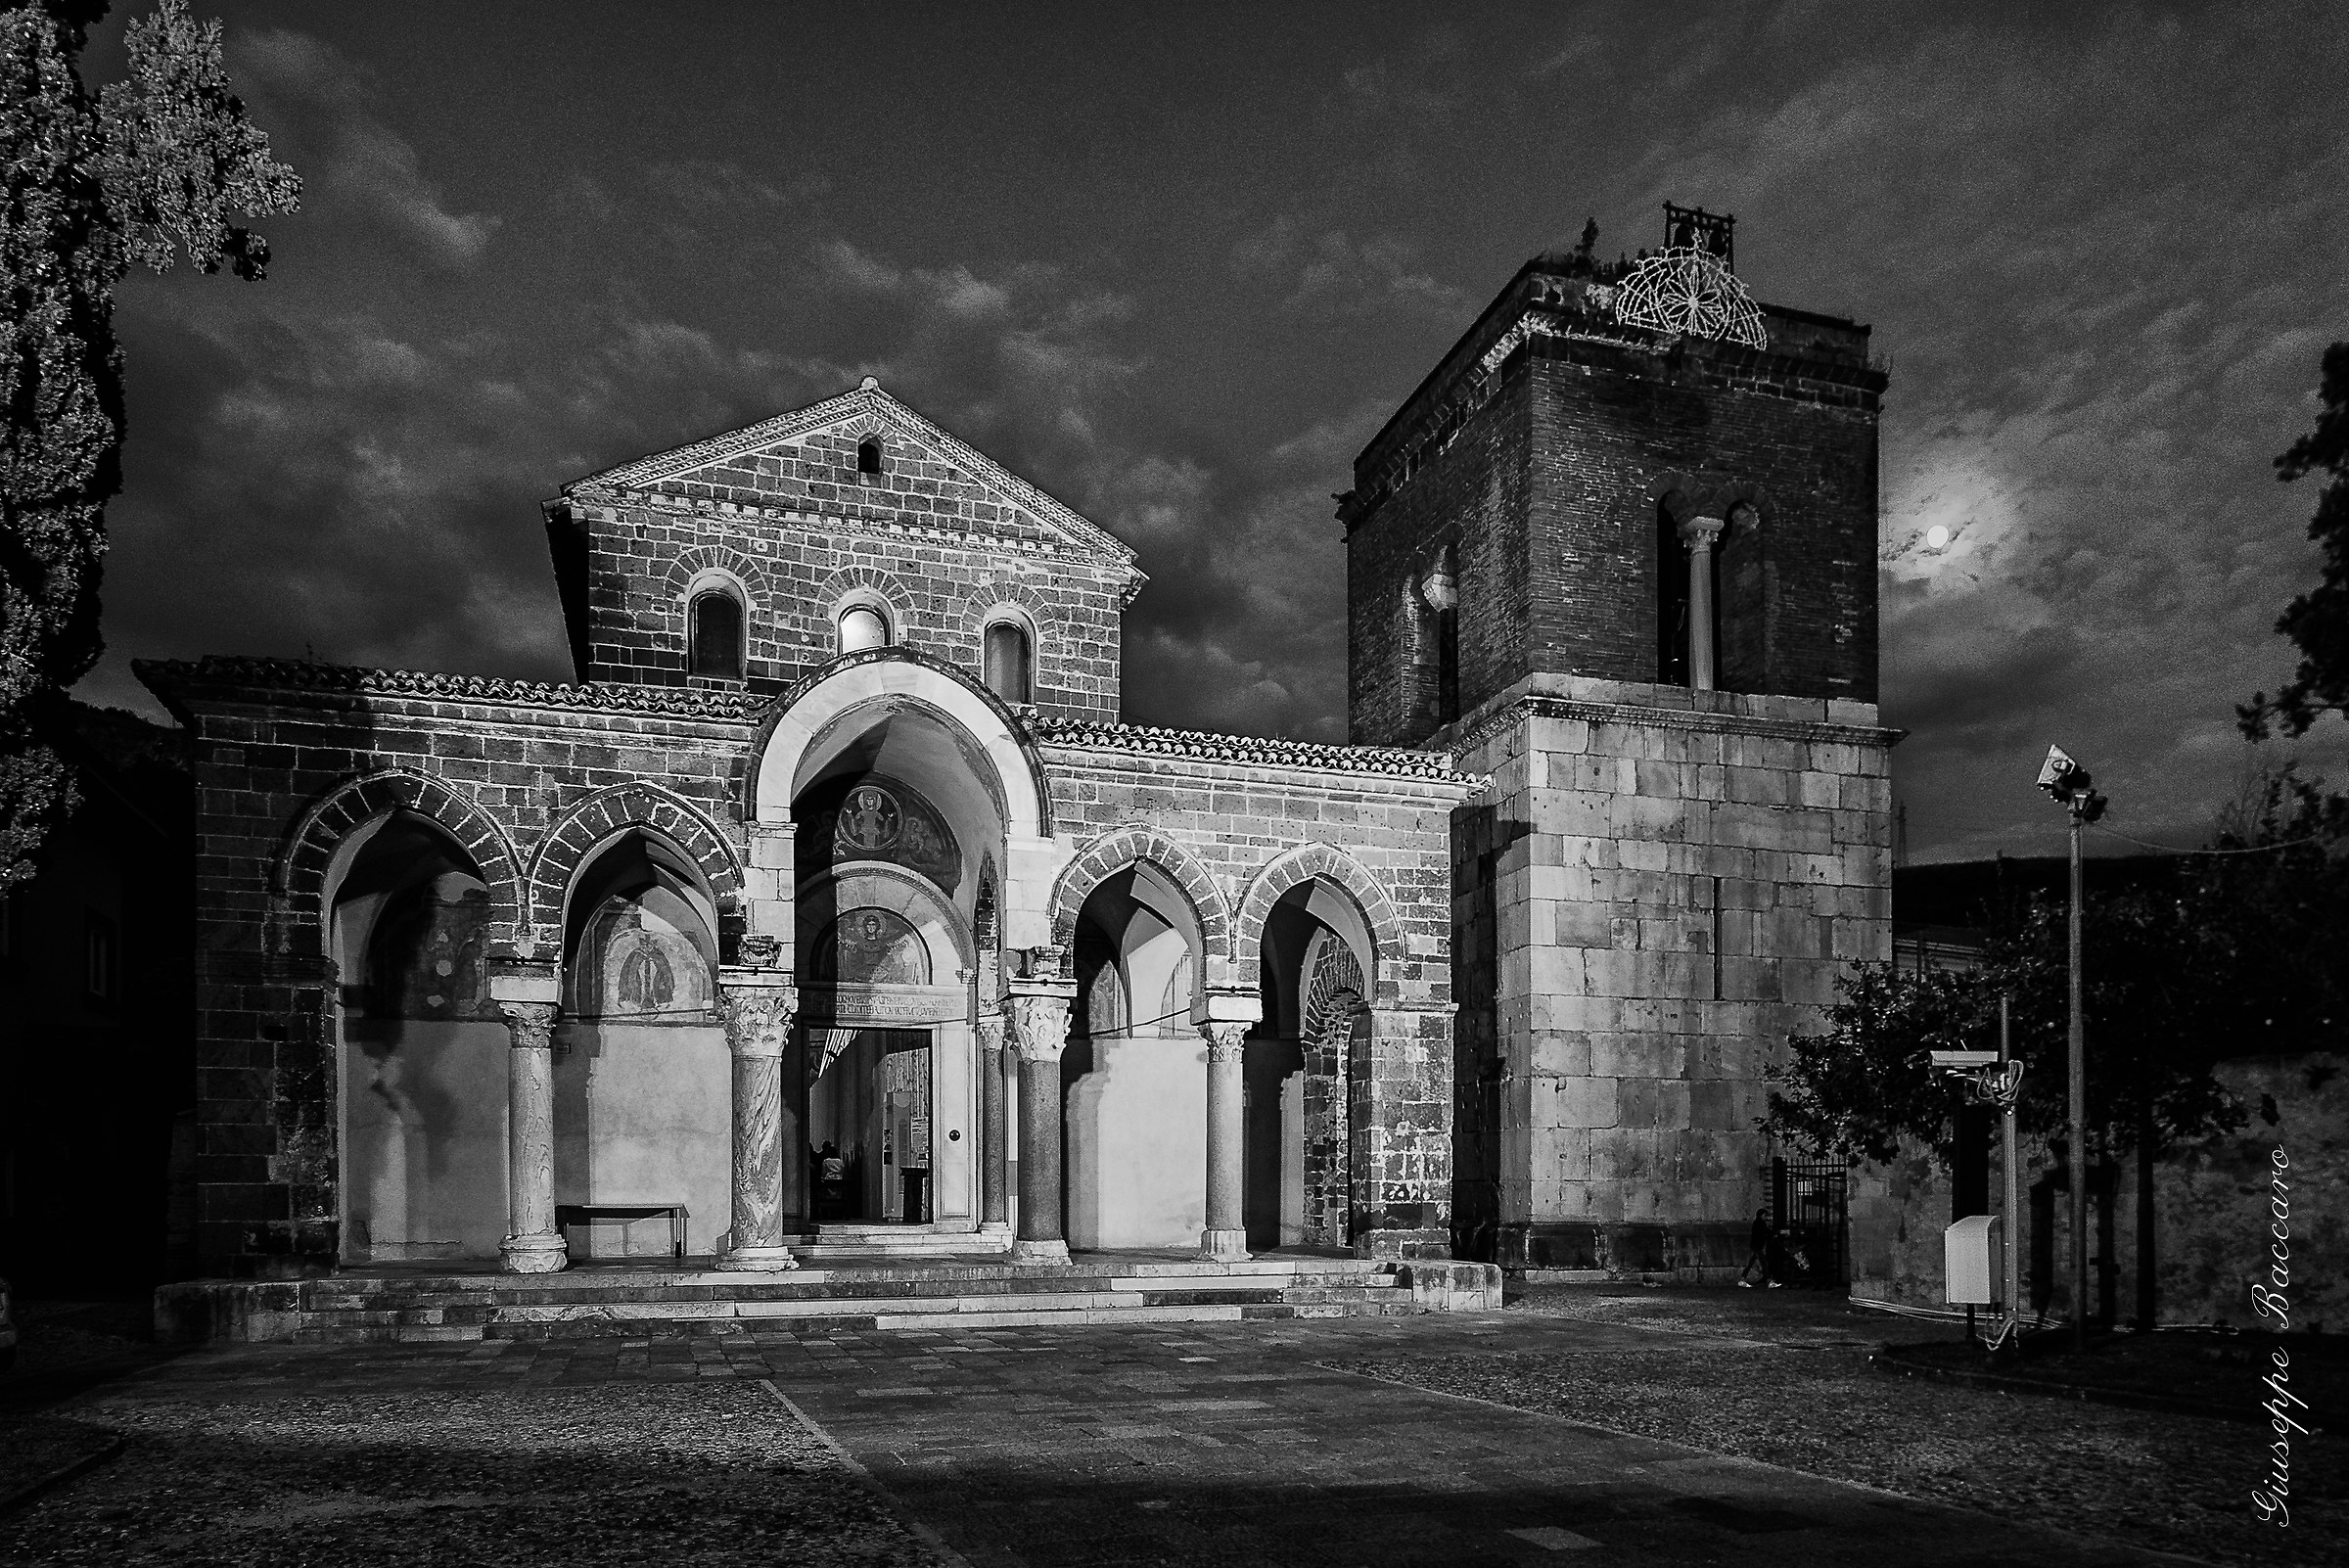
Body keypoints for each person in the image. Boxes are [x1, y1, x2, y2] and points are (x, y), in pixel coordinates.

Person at [1739, 1207, 1776, 1288]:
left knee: (1752, 1263)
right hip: (1757, 1246)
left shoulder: (1758, 1223)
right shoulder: (1759, 1223)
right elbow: (1764, 1232)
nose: (1765, 1217)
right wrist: (1773, 1233)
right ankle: (1768, 1281)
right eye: (1764, 1215)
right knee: (1763, 1263)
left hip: (1756, 1245)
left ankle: (1743, 1279)